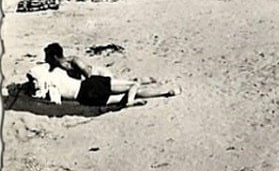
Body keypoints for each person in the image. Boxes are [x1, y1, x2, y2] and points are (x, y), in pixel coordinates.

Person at [25, 43, 177, 107]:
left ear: (55, 57)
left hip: (97, 78)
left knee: (129, 87)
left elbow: (90, 75)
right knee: (130, 91)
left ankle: (141, 82)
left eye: (47, 57)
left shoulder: (73, 61)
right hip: (90, 88)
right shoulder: (53, 66)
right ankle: (160, 90)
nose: (45, 60)